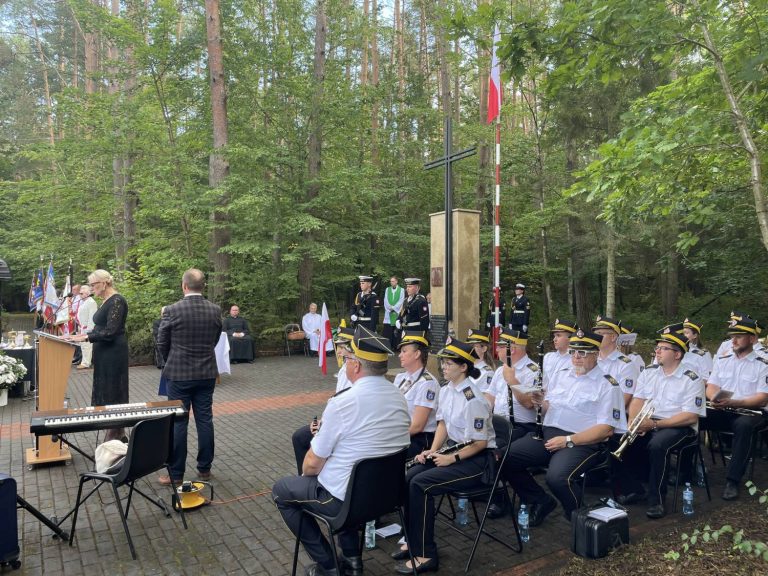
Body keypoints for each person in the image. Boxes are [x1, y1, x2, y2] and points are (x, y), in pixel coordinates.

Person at [273, 326, 410, 576]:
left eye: (346, 358)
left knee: (283, 491)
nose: (344, 363)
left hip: (347, 501)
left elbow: (311, 465)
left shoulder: (343, 403)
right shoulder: (398, 396)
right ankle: (352, 562)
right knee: (341, 476)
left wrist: (312, 472)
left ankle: (330, 566)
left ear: (356, 365)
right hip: (388, 496)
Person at [499, 330, 623, 526]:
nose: (576, 357)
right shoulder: (561, 375)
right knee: (504, 458)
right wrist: (541, 403)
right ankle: (540, 501)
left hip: (583, 442)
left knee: (557, 478)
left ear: (595, 354)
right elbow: (551, 407)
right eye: (573, 351)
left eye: (582, 353)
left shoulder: (608, 385)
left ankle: (578, 516)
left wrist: (567, 441)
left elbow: (606, 429)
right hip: (549, 434)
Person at [394, 339, 495, 574]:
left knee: (421, 484)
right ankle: (412, 539)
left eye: (449, 364)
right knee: (411, 476)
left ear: (463, 367)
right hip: (454, 450)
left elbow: (479, 443)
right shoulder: (448, 389)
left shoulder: (474, 399)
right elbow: (443, 424)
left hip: (477, 460)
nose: (444, 368)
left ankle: (426, 554)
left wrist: (452, 459)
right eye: (444, 363)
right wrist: (433, 450)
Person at [613, 327, 706, 518]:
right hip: (650, 422)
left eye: (663, 348)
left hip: (679, 426)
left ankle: (657, 500)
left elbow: (690, 416)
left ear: (678, 354)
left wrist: (654, 425)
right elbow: (637, 400)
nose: (657, 351)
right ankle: (634, 489)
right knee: (616, 438)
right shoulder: (649, 372)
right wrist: (633, 422)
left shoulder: (692, 378)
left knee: (657, 445)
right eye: (658, 347)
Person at [156, 268, 222, 485]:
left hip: (179, 375)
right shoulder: (215, 310)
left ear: (184, 286)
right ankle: (205, 469)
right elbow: (214, 339)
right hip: (206, 374)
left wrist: (170, 360)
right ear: (203, 286)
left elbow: (161, 341)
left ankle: (176, 475)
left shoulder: (172, 310)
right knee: (205, 420)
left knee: (178, 423)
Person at [705, 315, 768, 500]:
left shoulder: (763, 365)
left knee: (743, 426)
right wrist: (714, 398)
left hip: (751, 412)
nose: (733, 340)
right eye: (732, 336)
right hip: (723, 409)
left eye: (739, 336)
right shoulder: (723, 360)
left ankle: (733, 480)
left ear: (753, 339)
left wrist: (734, 402)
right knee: (695, 416)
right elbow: (711, 386)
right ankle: (688, 470)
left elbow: (762, 399)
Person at [66, 270, 129, 442]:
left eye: (94, 284)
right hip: (103, 352)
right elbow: (101, 327)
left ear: (105, 283)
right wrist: (81, 335)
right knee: (106, 390)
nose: (92, 288)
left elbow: (111, 331)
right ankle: (116, 434)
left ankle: (115, 433)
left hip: (113, 353)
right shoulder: (106, 301)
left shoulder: (117, 300)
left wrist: (87, 337)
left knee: (113, 390)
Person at [290, 323, 355, 474]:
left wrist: (324, 425)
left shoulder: (352, 370)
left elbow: (345, 404)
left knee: (300, 438)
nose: (338, 352)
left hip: (344, 425)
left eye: (342, 347)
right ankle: (305, 477)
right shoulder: (345, 368)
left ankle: (308, 479)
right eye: (337, 347)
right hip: (337, 420)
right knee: (300, 436)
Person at [486, 329, 540, 442]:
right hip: (497, 424)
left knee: (490, 450)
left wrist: (512, 380)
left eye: (500, 347)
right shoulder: (500, 369)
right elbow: (490, 398)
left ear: (512, 349)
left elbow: (529, 403)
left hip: (521, 427)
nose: (496, 350)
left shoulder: (533, 371)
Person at [394, 331, 439, 457]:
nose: (399, 355)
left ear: (417, 354)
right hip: (401, 434)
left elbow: (417, 426)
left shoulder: (427, 383)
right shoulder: (400, 377)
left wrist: (391, 439)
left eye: (404, 351)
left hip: (418, 439)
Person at [593, 316, 639, 408]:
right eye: (595, 333)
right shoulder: (590, 360)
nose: (596, 337)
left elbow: (622, 400)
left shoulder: (626, 365)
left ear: (613, 337)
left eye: (600, 334)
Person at [75, 285, 98, 369]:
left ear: (88, 293)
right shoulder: (84, 302)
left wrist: (89, 329)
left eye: (82, 293)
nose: (80, 295)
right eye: (80, 293)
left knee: (87, 346)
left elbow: (92, 317)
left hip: (87, 328)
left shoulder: (91, 302)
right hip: (82, 327)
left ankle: (86, 363)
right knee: (83, 345)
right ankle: (84, 361)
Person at [383, 276, 405, 348]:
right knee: (388, 331)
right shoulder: (387, 289)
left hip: (396, 312)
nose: (391, 283)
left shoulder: (401, 290)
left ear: (396, 281)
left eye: (393, 281)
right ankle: (388, 346)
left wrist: (394, 308)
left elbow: (401, 301)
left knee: (396, 330)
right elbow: (385, 300)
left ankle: (396, 346)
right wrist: (389, 308)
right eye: (390, 281)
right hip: (388, 313)